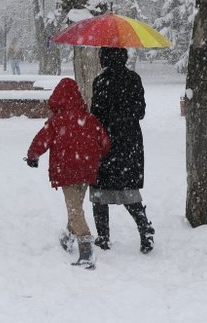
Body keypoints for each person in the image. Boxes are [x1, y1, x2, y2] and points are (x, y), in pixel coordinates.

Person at [26, 78, 111, 269]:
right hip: (87, 170)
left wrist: (32, 156)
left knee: (75, 209)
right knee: (76, 207)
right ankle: (68, 237)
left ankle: (86, 250)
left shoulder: (56, 121)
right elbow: (105, 143)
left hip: (67, 171)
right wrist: (92, 156)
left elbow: (42, 141)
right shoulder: (90, 119)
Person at [90, 46, 155, 254]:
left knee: (100, 190)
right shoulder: (133, 79)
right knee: (128, 189)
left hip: (106, 142)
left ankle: (103, 237)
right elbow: (140, 111)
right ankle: (144, 229)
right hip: (129, 141)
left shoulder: (100, 81)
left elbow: (95, 114)